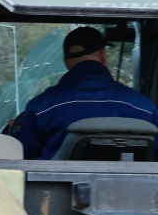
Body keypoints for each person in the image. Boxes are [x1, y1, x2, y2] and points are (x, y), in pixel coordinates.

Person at [15, 27, 158, 160]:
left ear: (66, 62)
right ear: (103, 54)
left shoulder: (41, 106)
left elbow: (23, 153)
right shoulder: (144, 107)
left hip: (54, 184)